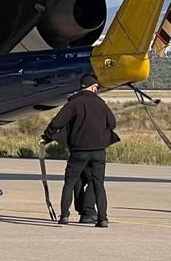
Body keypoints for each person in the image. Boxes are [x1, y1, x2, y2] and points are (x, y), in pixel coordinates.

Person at [41, 73, 117, 227]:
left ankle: (64, 216)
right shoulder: (101, 103)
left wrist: (46, 137)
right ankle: (103, 219)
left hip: (79, 151)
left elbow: (57, 123)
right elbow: (113, 123)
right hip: (98, 151)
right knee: (98, 184)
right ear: (94, 87)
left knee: (70, 183)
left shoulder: (74, 103)